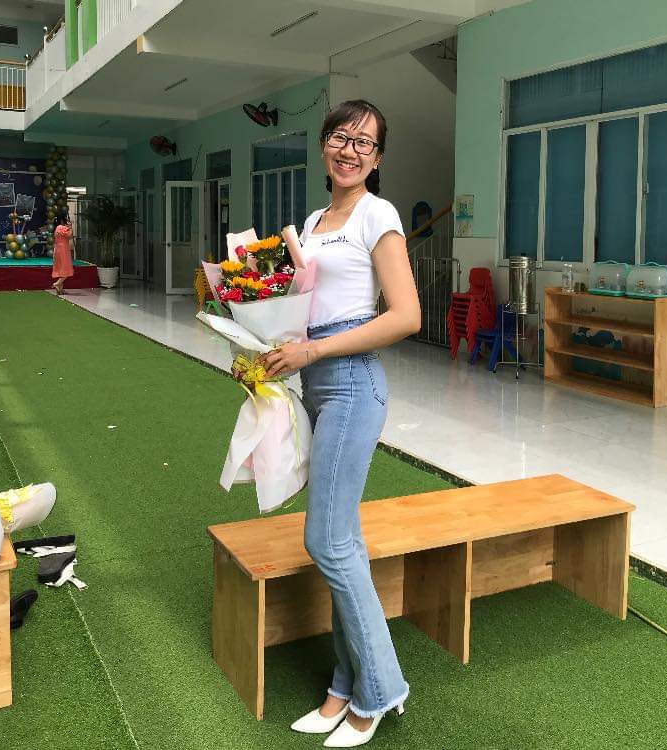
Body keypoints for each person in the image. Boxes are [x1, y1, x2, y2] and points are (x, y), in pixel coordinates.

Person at [263, 100, 421, 748]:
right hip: (315, 383)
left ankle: (379, 690)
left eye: (364, 142)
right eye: (340, 136)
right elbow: (305, 307)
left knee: (327, 542)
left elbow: (405, 316)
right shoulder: (312, 221)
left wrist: (314, 352)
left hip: (352, 384)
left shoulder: (378, 215)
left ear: (377, 158)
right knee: (341, 541)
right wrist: (271, 349)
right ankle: (342, 684)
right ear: (324, 145)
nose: (350, 149)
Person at [51, 212, 74, 295]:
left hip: (57, 249)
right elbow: (69, 236)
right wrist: (70, 227)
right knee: (66, 269)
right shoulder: (62, 227)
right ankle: (57, 283)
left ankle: (60, 289)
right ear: (62, 220)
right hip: (63, 250)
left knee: (61, 269)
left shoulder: (57, 228)